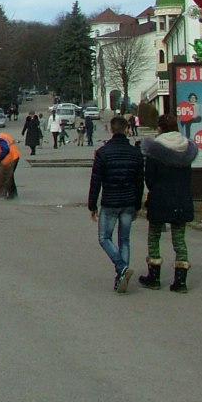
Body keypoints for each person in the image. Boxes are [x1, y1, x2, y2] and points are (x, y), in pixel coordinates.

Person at [139, 112, 198, 293]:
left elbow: (149, 178)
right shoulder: (186, 148)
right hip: (182, 198)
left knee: (154, 236)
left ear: (161, 128)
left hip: (160, 198)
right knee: (179, 239)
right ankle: (180, 281)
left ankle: (154, 277)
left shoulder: (155, 149)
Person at [88, 115, 145, 293]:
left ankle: (121, 267)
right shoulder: (135, 153)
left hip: (110, 201)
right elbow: (139, 181)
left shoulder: (103, 153)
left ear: (111, 129)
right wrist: (137, 204)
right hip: (128, 201)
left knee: (104, 238)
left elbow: (96, 180)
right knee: (124, 239)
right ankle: (122, 274)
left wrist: (92, 205)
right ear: (127, 129)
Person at [0, 124, 20, 199]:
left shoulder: (0, 139)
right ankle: (13, 193)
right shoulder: (3, 135)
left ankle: (11, 195)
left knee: (8, 176)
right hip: (14, 156)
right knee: (10, 176)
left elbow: (5, 149)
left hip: (12, 158)